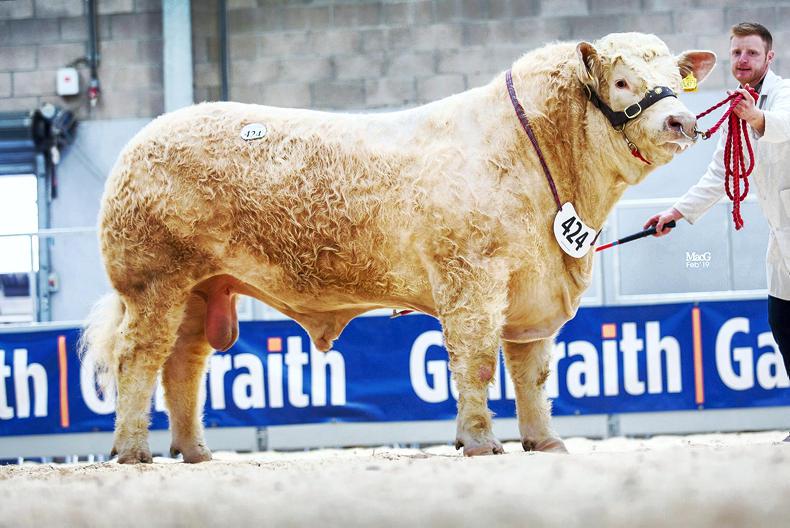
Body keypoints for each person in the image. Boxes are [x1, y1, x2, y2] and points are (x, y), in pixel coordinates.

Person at [644, 22, 790, 442]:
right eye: (737, 53)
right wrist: (674, 212)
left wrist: (757, 116)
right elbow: (720, 176)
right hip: (781, 234)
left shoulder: (778, 96)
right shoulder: (734, 110)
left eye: (752, 53)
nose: (743, 60)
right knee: (782, 325)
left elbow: (782, 124)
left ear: (769, 58)